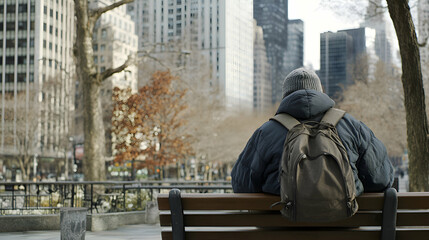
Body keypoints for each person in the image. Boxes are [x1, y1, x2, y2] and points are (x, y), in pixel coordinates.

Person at [231, 67, 394, 196]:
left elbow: (241, 185)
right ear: (320, 91)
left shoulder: (266, 133)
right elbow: (382, 179)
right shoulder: (353, 126)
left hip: (281, 229)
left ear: (285, 96)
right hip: (344, 226)